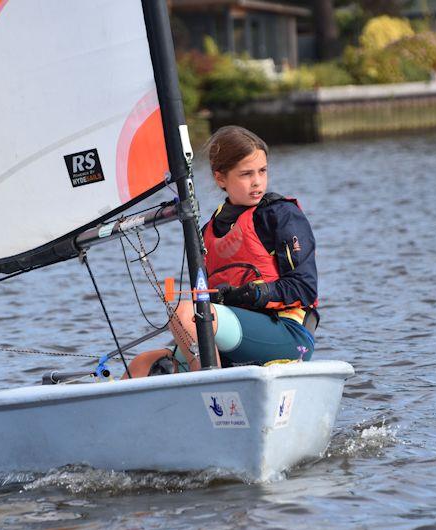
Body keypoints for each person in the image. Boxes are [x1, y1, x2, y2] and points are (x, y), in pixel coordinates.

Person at [125, 125, 319, 378]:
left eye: (262, 171)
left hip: (287, 332)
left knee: (185, 312)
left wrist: (255, 293)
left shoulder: (281, 215)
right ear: (220, 178)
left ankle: (207, 388)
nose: (257, 181)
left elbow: (305, 288)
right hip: (230, 336)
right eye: (246, 174)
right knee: (143, 364)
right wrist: (224, 299)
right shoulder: (208, 231)